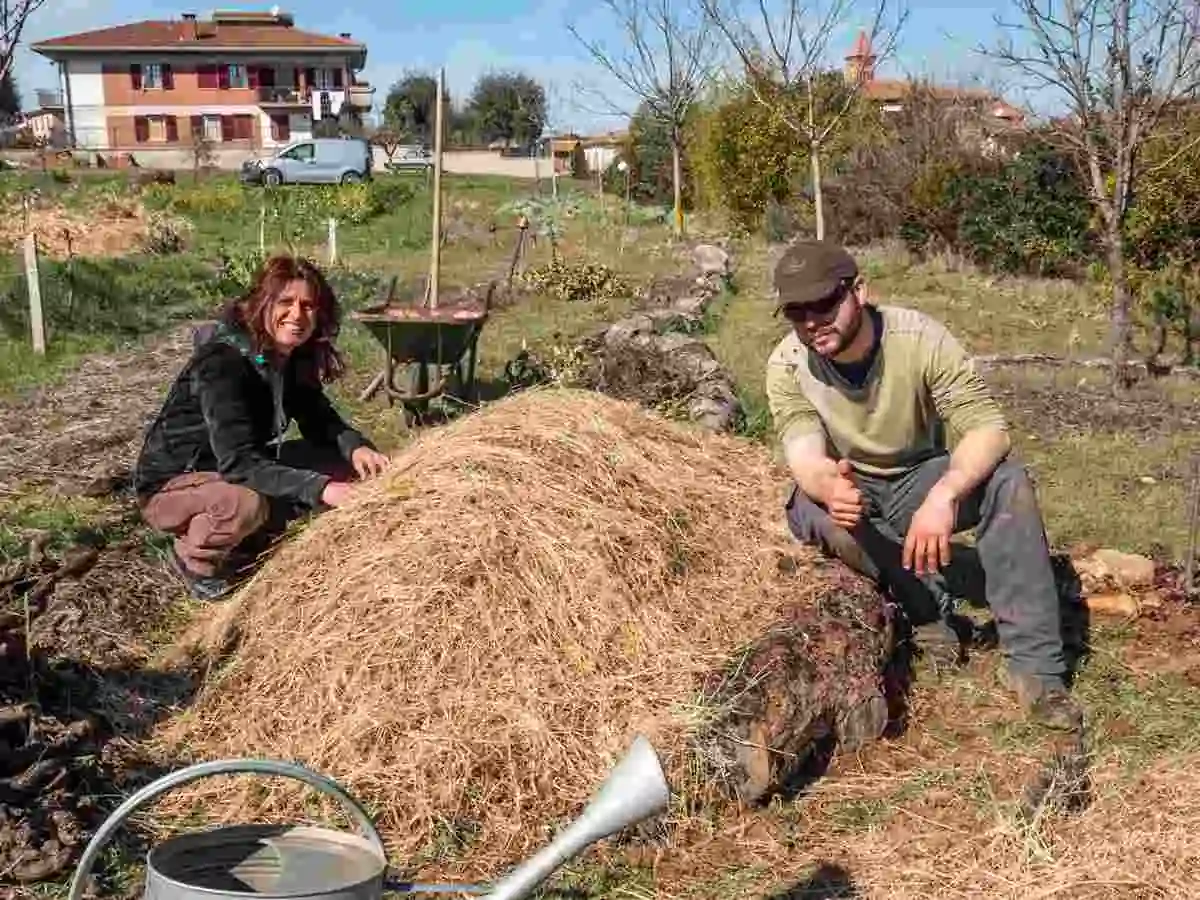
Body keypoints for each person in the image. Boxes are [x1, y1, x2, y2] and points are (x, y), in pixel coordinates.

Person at [764, 240, 1082, 731]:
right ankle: (930, 614)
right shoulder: (788, 363)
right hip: (853, 484)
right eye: (796, 311)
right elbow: (801, 446)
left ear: (860, 291)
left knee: (1007, 479)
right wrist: (826, 484)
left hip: (920, 477)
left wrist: (944, 495)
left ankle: (1038, 672)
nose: (812, 321)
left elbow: (988, 429)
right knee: (809, 507)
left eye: (825, 303)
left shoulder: (920, 339)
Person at [133, 254, 391, 601]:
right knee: (244, 503)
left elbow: (318, 417)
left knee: (344, 463)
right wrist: (322, 489)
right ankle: (196, 560)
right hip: (174, 484)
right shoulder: (222, 363)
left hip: (231, 467)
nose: (297, 315)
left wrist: (356, 447)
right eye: (286, 302)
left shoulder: (286, 356)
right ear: (261, 304)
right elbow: (240, 464)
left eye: (308, 306)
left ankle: (251, 537)